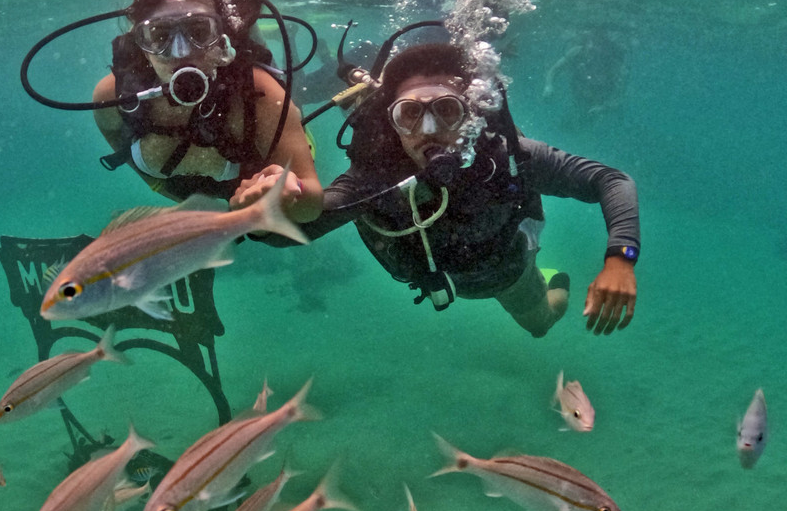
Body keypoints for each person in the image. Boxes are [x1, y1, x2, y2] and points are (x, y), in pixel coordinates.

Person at [239, 42, 639, 336]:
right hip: (440, 277)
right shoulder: (376, 176)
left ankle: (552, 276)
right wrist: (262, 215)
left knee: (541, 323)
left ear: (472, 114)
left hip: (506, 274)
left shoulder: (507, 155)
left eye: (447, 110)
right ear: (391, 121)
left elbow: (611, 180)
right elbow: (304, 225)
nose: (428, 131)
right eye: (410, 113)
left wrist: (620, 257)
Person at [92, 0, 322, 223]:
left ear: (222, 36)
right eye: (159, 34)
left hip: (270, 136)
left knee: (296, 107)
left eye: (199, 31)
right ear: (140, 42)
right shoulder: (113, 97)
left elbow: (311, 204)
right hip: (212, 200)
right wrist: (168, 192)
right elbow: (116, 139)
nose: (181, 53)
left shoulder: (260, 96)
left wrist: (288, 194)